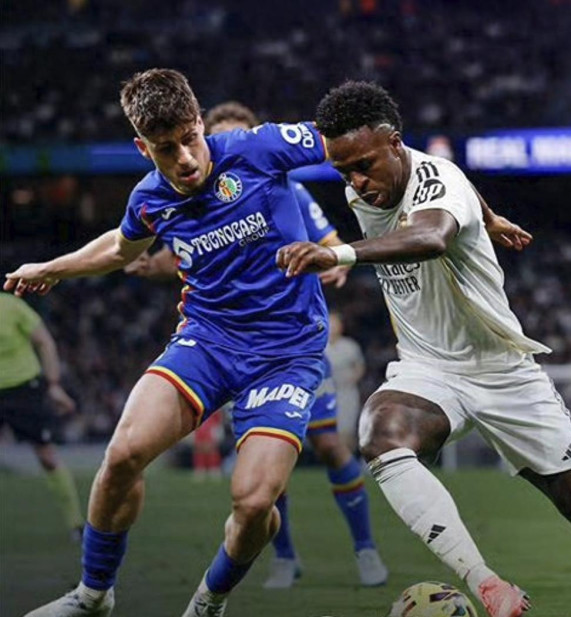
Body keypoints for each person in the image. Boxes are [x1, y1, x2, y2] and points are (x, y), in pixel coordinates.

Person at [276, 81, 571, 617]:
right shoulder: (366, 188)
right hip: (428, 367)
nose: (358, 183)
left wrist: (338, 254)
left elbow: (431, 236)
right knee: (380, 435)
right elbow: (455, 192)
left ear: (395, 143)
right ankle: (487, 585)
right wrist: (490, 215)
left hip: (503, 371)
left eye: (364, 166)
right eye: (345, 173)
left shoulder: (439, 180)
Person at [6, 68, 334, 617]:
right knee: (121, 456)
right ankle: (92, 595)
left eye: (190, 139)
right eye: (165, 149)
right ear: (143, 148)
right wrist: (53, 268)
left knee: (255, 503)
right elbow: (120, 249)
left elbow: (348, 141)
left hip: (287, 353)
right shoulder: (149, 198)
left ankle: (208, 601)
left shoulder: (258, 148)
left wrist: (440, 197)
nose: (184, 158)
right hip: (208, 341)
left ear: (200, 122)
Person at [124, 100, 388, 590]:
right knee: (260, 461)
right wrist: (144, 262)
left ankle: (366, 548)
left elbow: (332, 245)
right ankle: (284, 557)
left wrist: (334, 262)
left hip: (292, 344)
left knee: (331, 445)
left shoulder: (285, 184)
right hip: (229, 348)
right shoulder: (187, 198)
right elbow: (177, 255)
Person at [0, 291, 84, 542]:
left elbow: (45, 341)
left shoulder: (12, 306)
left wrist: (53, 384)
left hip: (23, 390)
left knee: (47, 457)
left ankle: (76, 524)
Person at [326, 310, 366, 452]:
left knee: (346, 429)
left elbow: (360, 366)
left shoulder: (350, 346)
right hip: (325, 394)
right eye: (329, 323)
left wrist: (353, 378)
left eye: (335, 323)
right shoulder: (319, 346)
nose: (332, 327)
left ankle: (350, 459)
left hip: (346, 393)